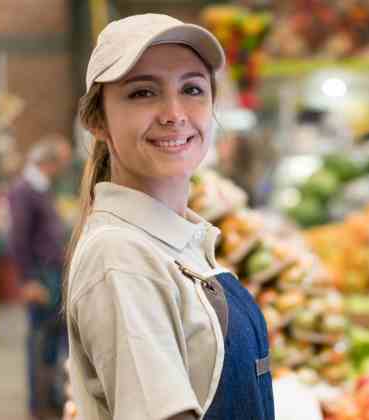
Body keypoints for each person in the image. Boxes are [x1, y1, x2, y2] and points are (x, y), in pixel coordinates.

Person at [64, 14, 274, 420]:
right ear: (97, 121)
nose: (174, 113)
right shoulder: (121, 256)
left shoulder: (179, 242)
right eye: (143, 93)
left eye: (192, 89)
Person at [8, 134, 73, 420]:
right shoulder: (26, 190)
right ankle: (40, 407)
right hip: (41, 275)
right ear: (50, 162)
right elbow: (17, 239)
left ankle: (51, 401)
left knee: (51, 341)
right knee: (40, 341)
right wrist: (28, 281)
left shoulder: (38, 188)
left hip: (50, 271)